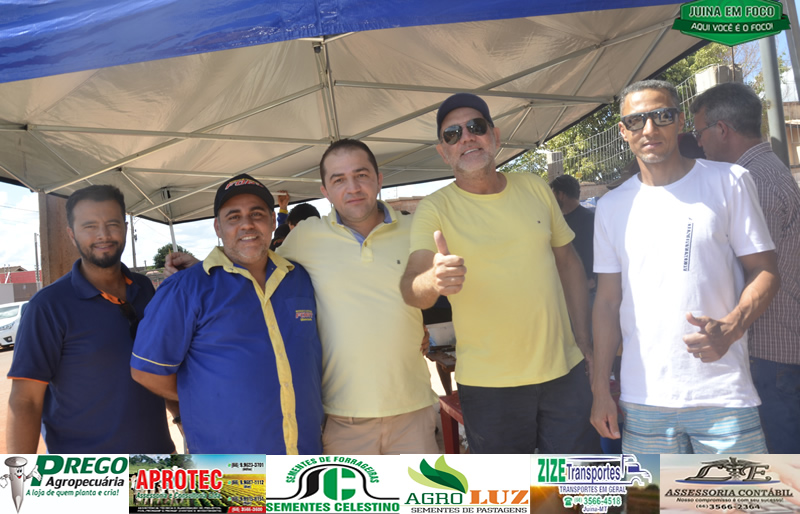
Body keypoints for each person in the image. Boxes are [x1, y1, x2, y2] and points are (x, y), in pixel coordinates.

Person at [167, 143, 438, 455]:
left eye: (361, 175)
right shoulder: (306, 237)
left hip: (413, 408)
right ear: (325, 191)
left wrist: (416, 325)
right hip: (341, 417)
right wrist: (202, 268)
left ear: (379, 179)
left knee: (419, 488)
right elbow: (252, 261)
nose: (352, 187)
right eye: (338, 179)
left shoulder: (417, 229)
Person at [400, 93, 598, 454]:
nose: (466, 137)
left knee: (578, 483)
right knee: (509, 487)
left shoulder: (534, 186)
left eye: (475, 127)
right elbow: (412, 285)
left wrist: (584, 341)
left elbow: (569, 262)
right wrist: (433, 280)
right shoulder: (435, 208)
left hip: (564, 373)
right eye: (452, 134)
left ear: (495, 136)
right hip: (490, 387)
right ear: (443, 151)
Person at [591, 79, 780, 454]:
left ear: (679, 121)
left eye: (661, 116)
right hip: (644, 399)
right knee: (652, 493)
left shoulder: (729, 182)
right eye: (636, 120)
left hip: (723, 397)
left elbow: (765, 270)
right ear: (623, 131)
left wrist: (732, 326)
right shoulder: (610, 207)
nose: (649, 129)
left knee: (743, 493)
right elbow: (608, 302)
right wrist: (600, 390)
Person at [131, 174, 323, 454]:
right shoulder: (185, 289)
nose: (247, 224)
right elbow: (147, 371)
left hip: (304, 454)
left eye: (257, 214)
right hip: (228, 461)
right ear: (217, 227)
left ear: (273, 221)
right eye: (234, 217)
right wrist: (205, 398)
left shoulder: (300, 278)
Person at [7, 185, 175, 454]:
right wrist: (17, 476)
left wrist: (179, 419)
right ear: (71, 235)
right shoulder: (48, 306)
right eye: (89, 226)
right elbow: (26, 401)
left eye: (112, 224)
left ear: (125, 228)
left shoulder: (144, 288)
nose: (103, 235)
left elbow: (161, 365)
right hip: (86, 472)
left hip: (156, 461)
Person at [690, 81, 800, 453]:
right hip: (777, 351)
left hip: (770, 351)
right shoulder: (766, 171)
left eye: (700, 132)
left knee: (780, 469)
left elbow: (750, 271)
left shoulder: (751, 182)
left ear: (721, 129)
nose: (699, 143)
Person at [550, 174, 595, 292]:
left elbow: (592, 252)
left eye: (552, 193)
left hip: (586, 287)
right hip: (569, 285)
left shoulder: (588, 219)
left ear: (561, 194)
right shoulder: (560, 221)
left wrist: (590, 277)